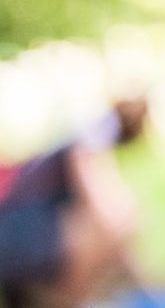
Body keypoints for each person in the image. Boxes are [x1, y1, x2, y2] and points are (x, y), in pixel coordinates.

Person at [0, 98, 148, 308]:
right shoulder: (97, 133)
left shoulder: (92, 131)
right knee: (100, 226)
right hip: (14, 235)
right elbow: (107, 209)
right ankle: (70, 301)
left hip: (21, 231)